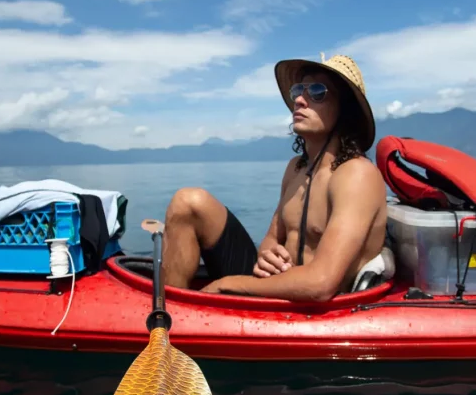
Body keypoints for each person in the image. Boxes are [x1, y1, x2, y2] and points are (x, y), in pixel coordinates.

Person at [159, 53, 388, 301]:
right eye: (299, 90)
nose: (300, 100)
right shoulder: (297, 168)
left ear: (346, 111)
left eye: (318, 92)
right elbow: (272, 236)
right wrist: (267, 253)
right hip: (274, 286)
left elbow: (321, 284)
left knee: (226, 284)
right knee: (188, 202)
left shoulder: (356, 175)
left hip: (314, 308)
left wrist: (230, 284)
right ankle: (169, 317)